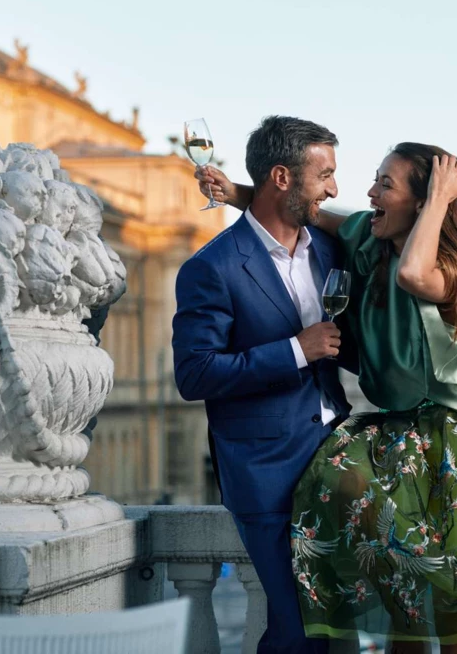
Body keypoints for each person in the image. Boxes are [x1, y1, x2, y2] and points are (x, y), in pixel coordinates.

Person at [198, 144, 457, 654]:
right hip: (387, 443)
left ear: (422, 202)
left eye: (385, 185)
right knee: (404, 614)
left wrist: (437, 202)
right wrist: (238, 193)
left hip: (449, 448)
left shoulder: (456, 273)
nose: (369, 194)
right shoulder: (370, 247)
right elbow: (315, 213)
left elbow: (415, 274)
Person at [173, 116, 357, 654]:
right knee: (299, 629)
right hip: (266, 471)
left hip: (335, 455)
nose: (333, 188)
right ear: (282, 176)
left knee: (329, 623)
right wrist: (298, 350)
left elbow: (372, 229)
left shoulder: (327, 249)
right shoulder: (212, 268)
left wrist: (237, 191)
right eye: (324, 174)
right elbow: (195, 374)